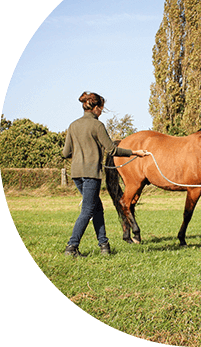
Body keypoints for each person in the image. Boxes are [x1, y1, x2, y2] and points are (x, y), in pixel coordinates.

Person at [62, 92, 148, 257]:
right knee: (87, 210)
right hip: (90, 174)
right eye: (101, 108)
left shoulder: (73, 125)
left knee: (98, 209)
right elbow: (113, 149)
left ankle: (104, 246)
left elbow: (66, 152)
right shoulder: (97, 125)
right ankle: (71, 247)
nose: (101, 111)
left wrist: (81, 151)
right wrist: (135, 152)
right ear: (95, 108)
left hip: (76, 174)